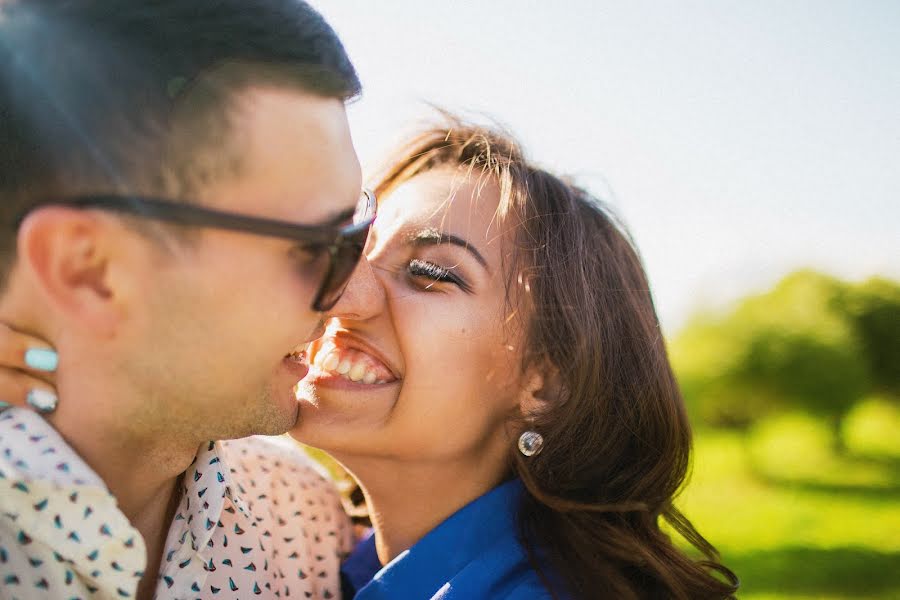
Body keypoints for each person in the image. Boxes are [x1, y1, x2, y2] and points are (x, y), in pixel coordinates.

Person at [0, 1, 370, 598]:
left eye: (357, 231)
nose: (354, 293)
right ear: (88, 270)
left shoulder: (305, 522)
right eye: (315, 246)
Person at [288, 119, 740, 599]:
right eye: (354, 251)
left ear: (544, 385)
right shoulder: (309, 549)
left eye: (429, 272)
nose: (342, 294)